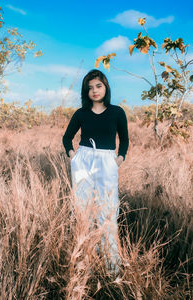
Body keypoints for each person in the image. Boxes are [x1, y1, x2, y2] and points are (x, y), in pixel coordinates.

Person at [62, 69, 129, 268]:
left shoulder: (117, 112)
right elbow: (67, 138)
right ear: (86, 92)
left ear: (105, 87)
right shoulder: (81, 113)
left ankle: (111, 264)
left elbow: (124, 139)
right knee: (83, 209)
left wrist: (119, 159)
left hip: (107, 161)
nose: (94, 91)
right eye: (90, 88)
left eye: (98, 86)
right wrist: (73, 156)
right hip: (83, 159)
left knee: (108, 209)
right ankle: (86, 261)